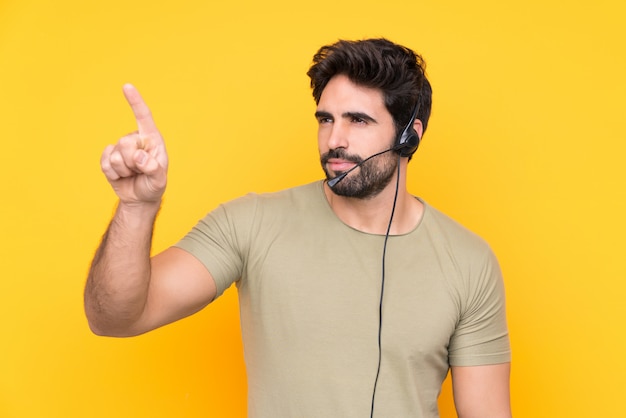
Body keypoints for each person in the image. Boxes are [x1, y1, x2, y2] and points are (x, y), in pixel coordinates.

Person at [85, 38, 512, 418]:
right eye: (326, 119)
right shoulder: (250, 223)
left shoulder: (469, 262)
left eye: (358, 120)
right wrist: (138, 207)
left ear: (409, 136)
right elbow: (114, 318)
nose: (334, 140)